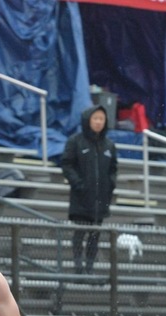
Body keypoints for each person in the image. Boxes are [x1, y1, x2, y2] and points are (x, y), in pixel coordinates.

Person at [61, 104, 118, 274]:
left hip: (101, 201)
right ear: (88, 120)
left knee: (95, 235)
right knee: (79, 234)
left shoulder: (109, 145)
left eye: (102, 119)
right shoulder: (75, 141)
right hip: (81, 199)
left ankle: (90, 267)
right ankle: (78, 267)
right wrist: (79, 185)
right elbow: (66, 164)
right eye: (95, 118)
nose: (99, 122)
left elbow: (113, 169)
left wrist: (109, 186)